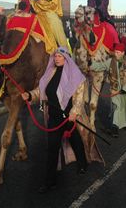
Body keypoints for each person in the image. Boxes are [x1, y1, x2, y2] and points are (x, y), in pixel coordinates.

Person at [21, 47, 103, 193]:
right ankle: (49, 181)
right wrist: (30, 95)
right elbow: (42, 90)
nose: (56, 58)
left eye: (59, 56)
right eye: (55, 56)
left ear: (66, 58)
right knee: (52, 148)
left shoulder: (74, 74)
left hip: (68, 116)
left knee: (76, 140)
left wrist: (74, 112)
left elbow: (78, 96)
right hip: (53, 116)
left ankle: (82, 162)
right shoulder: (50, 72)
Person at [106, 43, 126, 137]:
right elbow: (101, 66)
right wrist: (91, 64)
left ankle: (124, 124)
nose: (116, 54)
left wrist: (125, 88)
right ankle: (114, 127)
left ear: (123, 53)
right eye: (115, 52)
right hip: (114, 89)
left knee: (124, 107)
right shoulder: (110, 61)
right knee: (116, 107)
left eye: (118, 52)